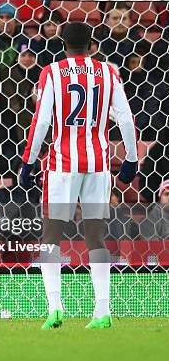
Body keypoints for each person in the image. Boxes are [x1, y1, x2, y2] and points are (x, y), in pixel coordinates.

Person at [20, 22, 138, 329]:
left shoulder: (53, 72)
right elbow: (125, 117)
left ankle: (55, 308)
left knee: (51, 238)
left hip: (62, 165)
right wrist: (131, 159)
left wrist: (28, 162)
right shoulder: (109, 72)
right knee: (96, 238)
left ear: (63, 43)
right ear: (92, 44)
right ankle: (102, 312)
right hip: (99, 165)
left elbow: (42, 120)